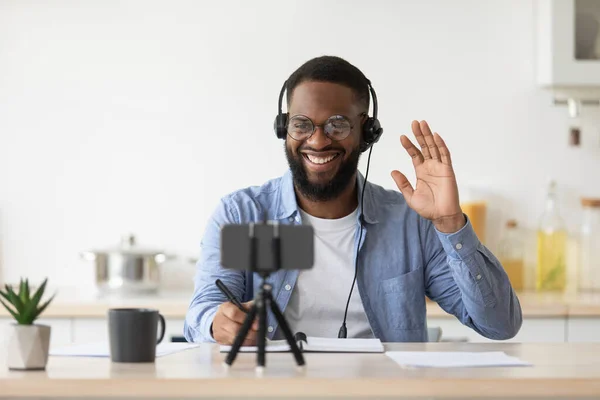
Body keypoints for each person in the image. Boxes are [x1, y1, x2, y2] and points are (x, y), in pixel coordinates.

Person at [183, 55, 522, 345]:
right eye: (301, 124)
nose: (317, 141)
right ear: (284, 128)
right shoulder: (247, 216)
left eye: (337, 125)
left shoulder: (409, 223)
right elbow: (203, 311)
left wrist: (450, 225)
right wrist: (218, 323)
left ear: (367, 133)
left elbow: (500, 325)